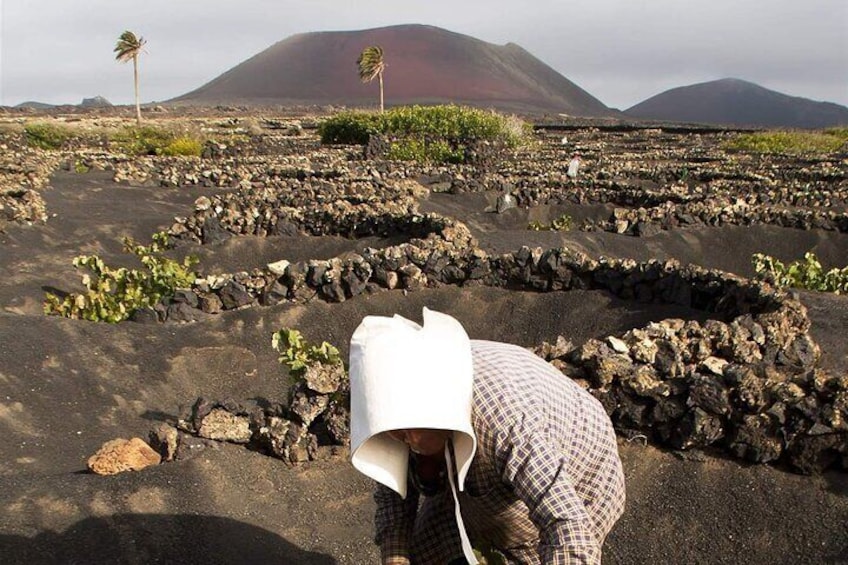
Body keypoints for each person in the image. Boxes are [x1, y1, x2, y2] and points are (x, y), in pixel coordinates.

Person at [349, 308, 626, 565]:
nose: (402, 438)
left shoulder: (508, 425)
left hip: (581, 466)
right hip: (476, 468)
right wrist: (395, 559)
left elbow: (567, 526)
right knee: (423, 552)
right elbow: (394, 496)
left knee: (529, 543)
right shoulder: (397, 415)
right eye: (393, 431)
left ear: (438, 412)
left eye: (408, 431)